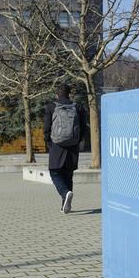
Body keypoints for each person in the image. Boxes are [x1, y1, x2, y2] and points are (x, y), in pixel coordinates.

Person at [44, 84, 87, 214]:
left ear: (57, 94)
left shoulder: (51, 107)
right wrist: (78, 141)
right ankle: (65, 204)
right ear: (69, 93)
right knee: (68, 175)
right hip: (73, 145)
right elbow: (83, 127)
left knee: (54, 172)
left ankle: (65, 193)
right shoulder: (78, 107)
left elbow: (46, 127)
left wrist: (48, 142)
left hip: (56, 145)